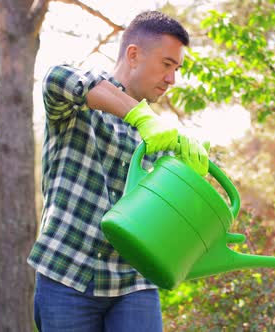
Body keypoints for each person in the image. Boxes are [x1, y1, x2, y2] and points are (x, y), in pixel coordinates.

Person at [27, 10, 208, 332]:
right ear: (134, 54)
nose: (172, 80)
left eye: (176, 69)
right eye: (167, 65)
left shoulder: (161, 137)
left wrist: (190, 179)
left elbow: (164, 220)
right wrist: (140, 116)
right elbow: (58, 78)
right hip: (66, 273)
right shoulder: (75, 104)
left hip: (132, 282)